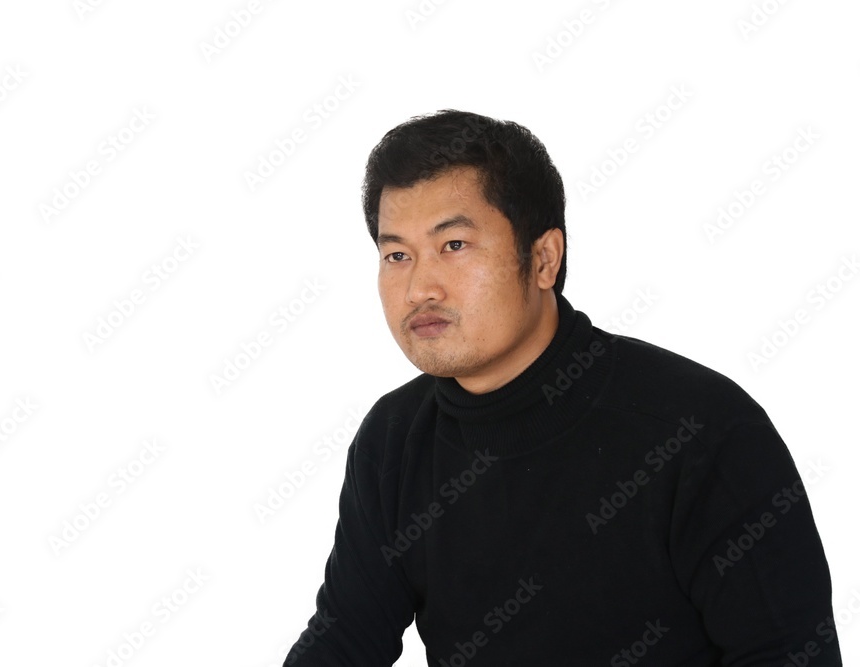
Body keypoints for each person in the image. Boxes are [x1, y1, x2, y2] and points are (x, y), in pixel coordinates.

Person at [282, 110, 841, 666]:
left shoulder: (699, 431)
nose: (418, 288)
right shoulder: (394, 439)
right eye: (397, 255)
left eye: (454, 245)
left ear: (544, 258)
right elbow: (346, 639)